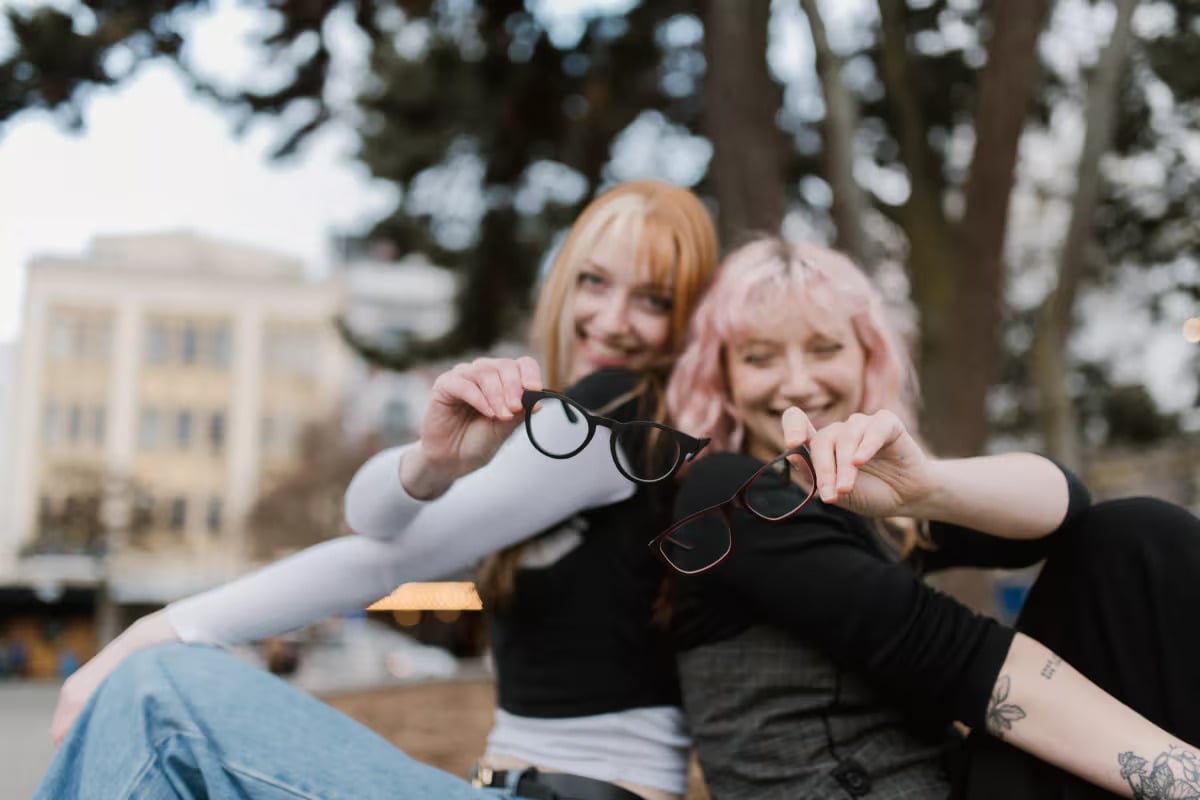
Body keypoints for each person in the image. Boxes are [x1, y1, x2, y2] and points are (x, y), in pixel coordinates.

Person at [36, 179, 719, 800]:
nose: (613, 318)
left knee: (162, 692)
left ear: (690, 316)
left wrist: (157, 630)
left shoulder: (612, 415)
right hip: (521, 787)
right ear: (564, 283)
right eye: (595, 282)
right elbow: (372, 519)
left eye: (653, 300)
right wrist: (432, 462)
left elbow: (387, 561)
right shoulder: (610, 431)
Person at [661, 236, 1200, 799]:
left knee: (1134, 538)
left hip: (949, 784)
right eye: (759, 357)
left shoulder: (868, 502)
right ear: (720, 375)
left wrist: (927, 489)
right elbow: (947, 653)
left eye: (824, 348)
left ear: (867, 357)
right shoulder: (723, 494)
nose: (797, 382)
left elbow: (1067, 508)